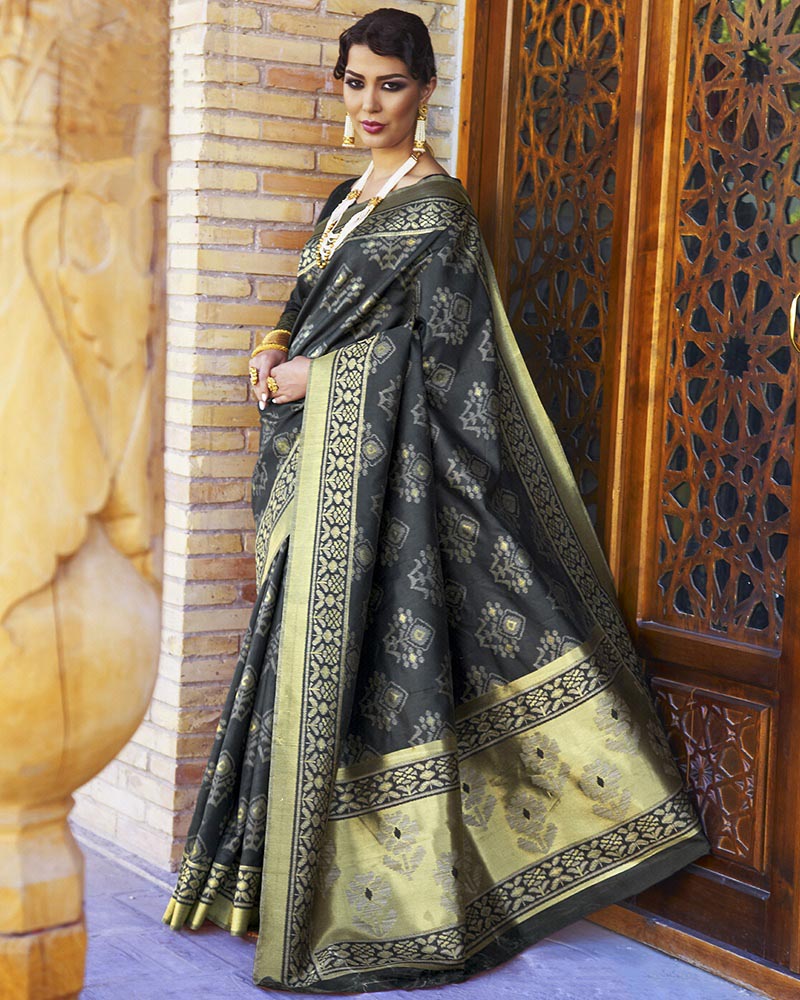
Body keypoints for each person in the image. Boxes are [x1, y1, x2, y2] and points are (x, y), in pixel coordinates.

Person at [163, 8, 708, 992]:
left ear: (424, 90)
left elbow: (450, 358)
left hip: (385, 488)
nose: (370, 102)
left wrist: (326, 379)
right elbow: (303, 307)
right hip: (316, 469)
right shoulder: (344, 198)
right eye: (355, 82)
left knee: (370, 664)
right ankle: (260, 882)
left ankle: (379, 896)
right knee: (292, 657)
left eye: (391, 84)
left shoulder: (440, 210)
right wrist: (272, 350)